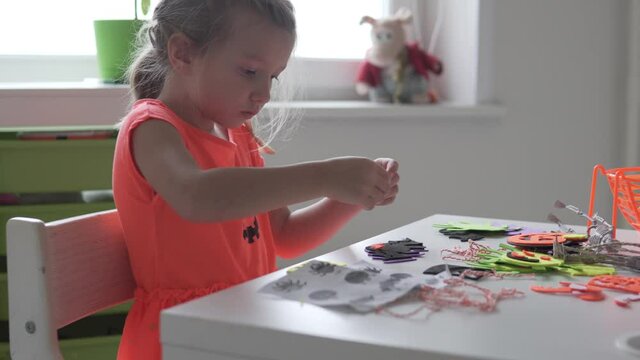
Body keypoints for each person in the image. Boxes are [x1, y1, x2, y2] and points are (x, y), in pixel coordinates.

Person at [112, 1, 400, 359]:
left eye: (273, 77)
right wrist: (324, 176)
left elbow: (285, 236)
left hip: (243, 327)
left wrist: (351, 196)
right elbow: (195, 197)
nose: (264, 93)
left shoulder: (240, 138)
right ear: (183, 53)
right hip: (179, 339)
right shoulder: (153, 128)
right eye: (250, 71)